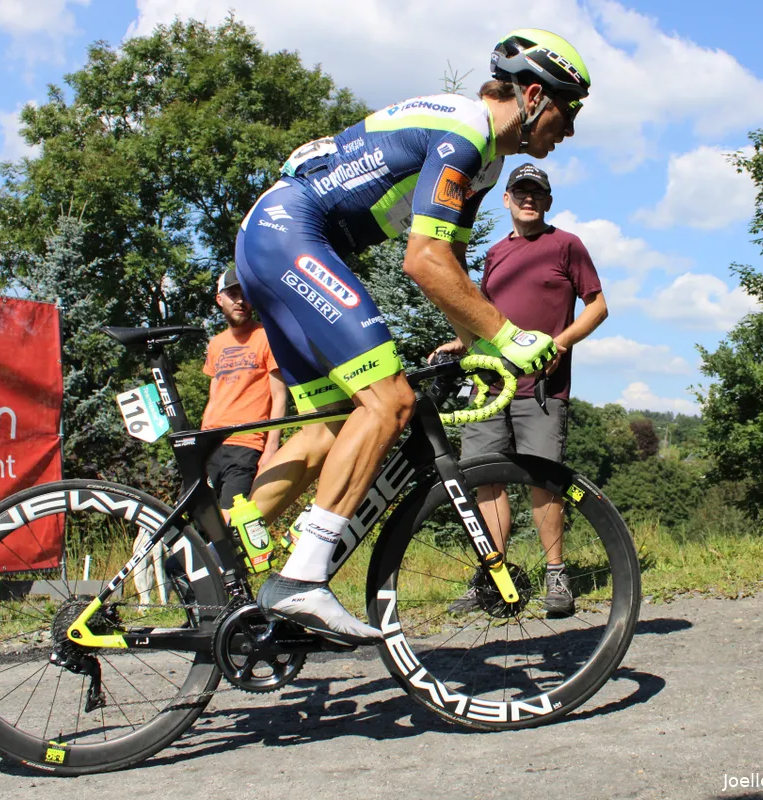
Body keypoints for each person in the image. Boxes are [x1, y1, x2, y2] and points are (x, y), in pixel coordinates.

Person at [232, 29, 591, 644]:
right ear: (533, 96)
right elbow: (423, 261)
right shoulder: (468, 132)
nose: (572, 130)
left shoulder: (487, 163)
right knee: (390, 402)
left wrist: (478, 347)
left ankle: (205, 557)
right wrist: (508, 335)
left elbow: (451, 263)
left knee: (329, 426)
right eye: (569, 109)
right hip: (293, 233)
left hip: (272, 237)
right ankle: (303, 579)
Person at [429, 163, 606, 617]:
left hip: (541, 387)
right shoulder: (494, 253)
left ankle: (556, 576)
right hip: (488, 386)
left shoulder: (566, 244)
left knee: (544, 482)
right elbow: (484, 312)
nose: (528, 199)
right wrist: (463, 342)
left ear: (547, 201)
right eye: (520, 192)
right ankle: (493, 576)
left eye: (536, 193)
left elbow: (598, 308)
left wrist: (560, 343)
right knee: (484, 480)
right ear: (506, 199)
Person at [202, 269, 288, 508]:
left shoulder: (267, 337)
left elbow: (279, 397)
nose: (240, 300)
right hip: (210, 443)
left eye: (246, 294)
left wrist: (271, 448)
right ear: (220, 299)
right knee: (197, 516)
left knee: (232, 519)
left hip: (247, 444)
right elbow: (214, 397)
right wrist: (201, 443)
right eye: (233, 294)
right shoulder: (216, 343)